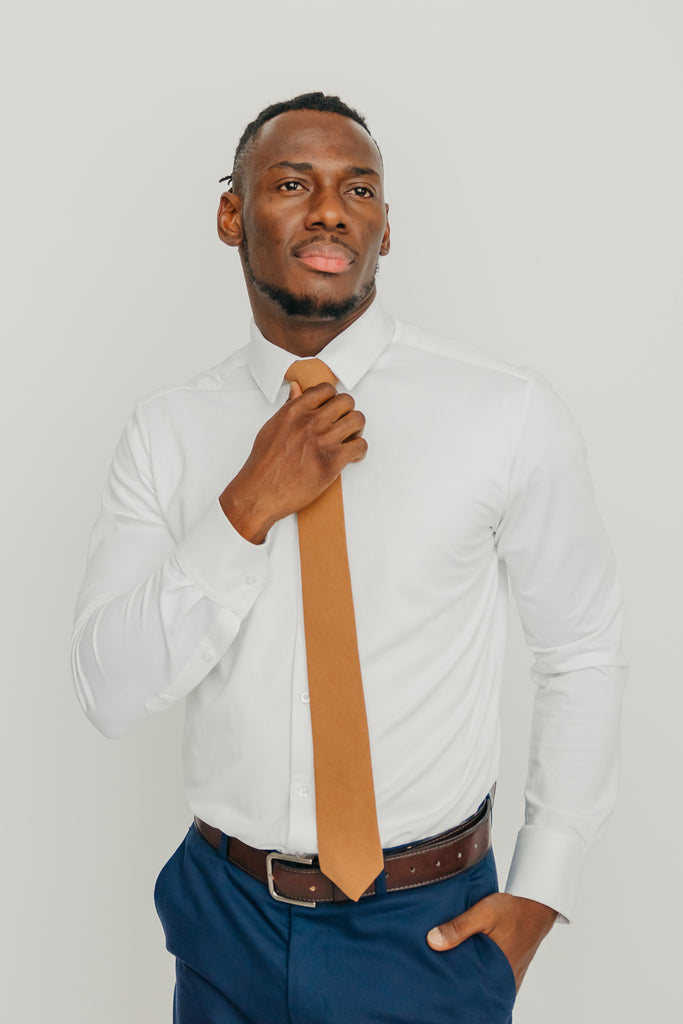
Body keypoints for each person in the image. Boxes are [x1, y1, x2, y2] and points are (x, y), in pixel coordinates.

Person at [71, 92, 627, 1023]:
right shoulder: (166, 433)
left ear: (382, 228)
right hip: (224, 921)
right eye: (293, 183)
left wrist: (542, 888)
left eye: (358, 188)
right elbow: (108, 691)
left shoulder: (505, 412)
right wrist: (246, 505)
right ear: (231, 215)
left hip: (429, 929)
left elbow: (581, 649)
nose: (331, 209)